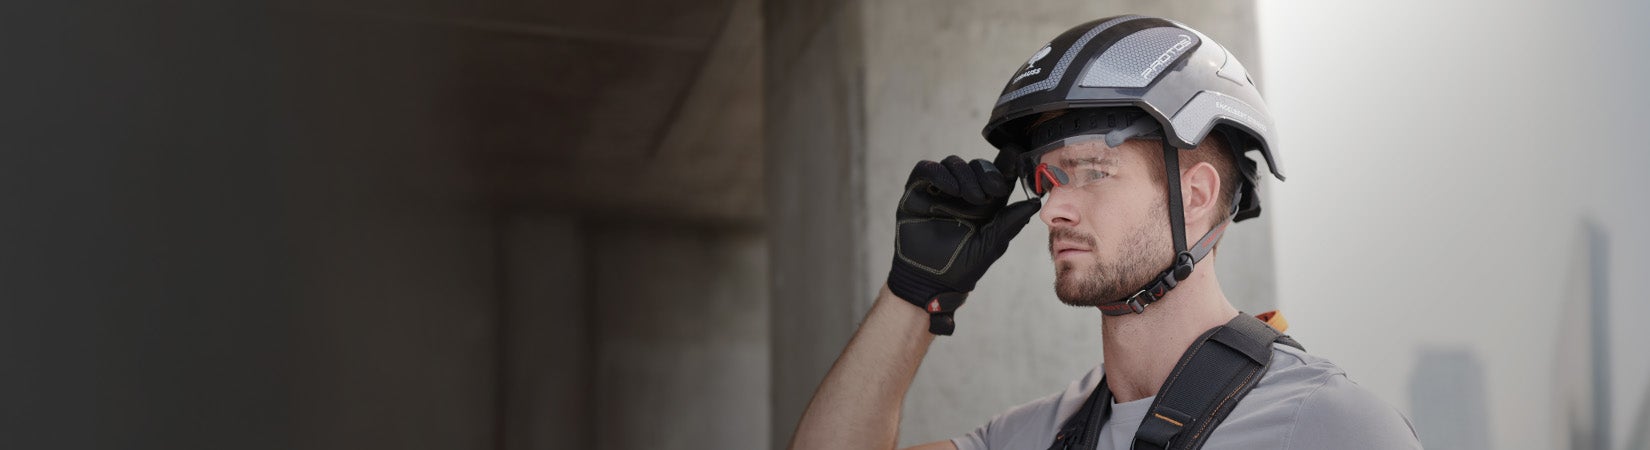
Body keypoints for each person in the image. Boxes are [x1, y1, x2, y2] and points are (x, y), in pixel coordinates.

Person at [787, 15, 1422, 450]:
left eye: (1093, 170)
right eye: (1048, 178)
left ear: (1194, 197)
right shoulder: (1046, 434)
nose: (1054, 208)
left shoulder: (1328, 426)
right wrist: (912, 292)